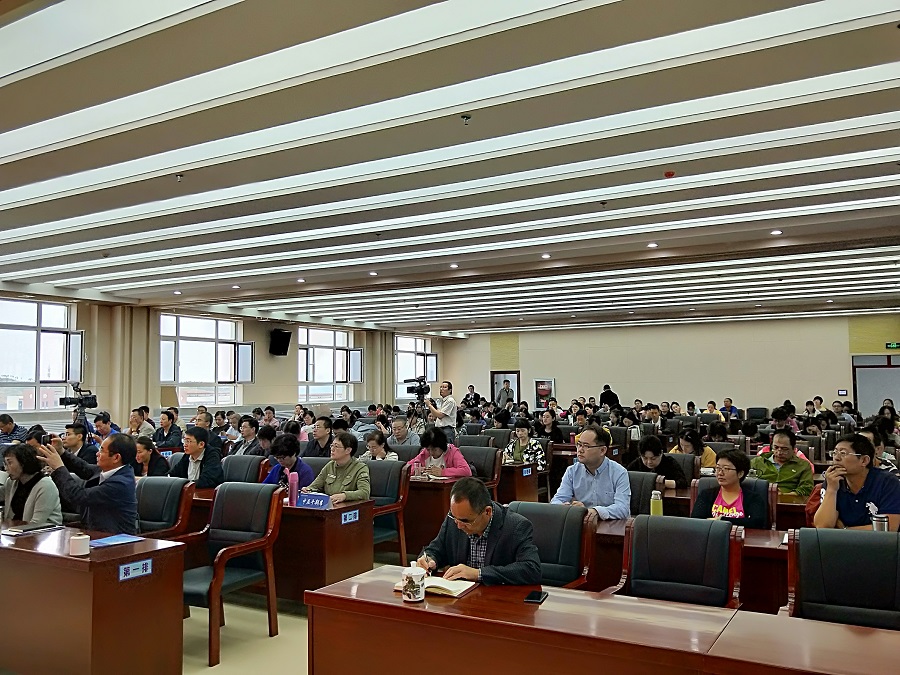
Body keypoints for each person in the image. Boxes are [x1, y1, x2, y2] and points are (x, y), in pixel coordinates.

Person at [416, 477, 541, 585]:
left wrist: (478, 574)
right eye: (454, 517)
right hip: (461, 597)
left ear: (487, 512)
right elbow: (436, 549)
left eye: (465, 521)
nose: (459, 526)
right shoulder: (456, 519)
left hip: (497, 598)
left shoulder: (516, 526)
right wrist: (430, 559)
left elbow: (531, 569)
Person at [38, 434, 138, 534]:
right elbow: (84, 468)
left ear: (116, 458)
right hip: (97, 533)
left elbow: (78, 496)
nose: (97, 454)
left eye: (102, 450)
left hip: (116, 538)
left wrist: (58, 467)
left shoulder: (120, 483)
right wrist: (62, 452)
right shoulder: (112, 470)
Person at [813, 434, 900, 530]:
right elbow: (822, 526)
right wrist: (831, 489)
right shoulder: (833, 480)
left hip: (875, 540)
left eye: (843, 453)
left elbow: (889, 527)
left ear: (864, 460)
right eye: (834, 453)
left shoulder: (888, 482)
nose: (836, 458)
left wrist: (845, 531)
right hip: (841, 539)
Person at [551, 424, 630, 520]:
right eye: (579, 444)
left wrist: (592, 511)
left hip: (610, 525)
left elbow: (623, 509)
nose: (580, 450)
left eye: (586, 446)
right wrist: (564, 507)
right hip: (580, 524)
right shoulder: (572, 471)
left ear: (602, 450)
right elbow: (557, 500)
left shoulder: (619, 473)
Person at [691, 448, 767, 529]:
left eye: (726, 469)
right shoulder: (706, 495)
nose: (720, 473)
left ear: (740, 473)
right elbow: (696, 521)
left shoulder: (753, 498)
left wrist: (721, 520)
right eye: (718, 468)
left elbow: (757, 523)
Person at [302, 432, 370, 504]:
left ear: (348, 450)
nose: (332, 449)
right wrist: (307, 489)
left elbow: (364, 493)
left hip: (348, 507)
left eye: (336, 446)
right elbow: (315, 486)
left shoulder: (360, 468)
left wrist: (345, 496)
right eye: (332, 445)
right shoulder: (330, 465)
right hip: (329, 505)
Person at [2, 444, 62, 526]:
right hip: (17, 528)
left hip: (44, 531)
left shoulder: (46, 485)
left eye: (9, 463)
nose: (6, 468)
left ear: (23, 462)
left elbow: (37, 523)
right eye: (5, 464)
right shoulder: (11, 482)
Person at [750, 429, 813, 496]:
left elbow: (807, 489)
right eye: (776, 447)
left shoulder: (803, 465)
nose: (779, 452)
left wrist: (784, 495)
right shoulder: (757, 462)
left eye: (784, 449)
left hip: (790, 500)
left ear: (793, 448)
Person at [406, 428, 472, 478]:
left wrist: (442, 472)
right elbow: (406, 467)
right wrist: (417, 470)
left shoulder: (453, 452)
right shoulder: (425, 453)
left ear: (442, 446)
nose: (431, 453)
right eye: (428, 449)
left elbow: (466, 471)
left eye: (434, 449)